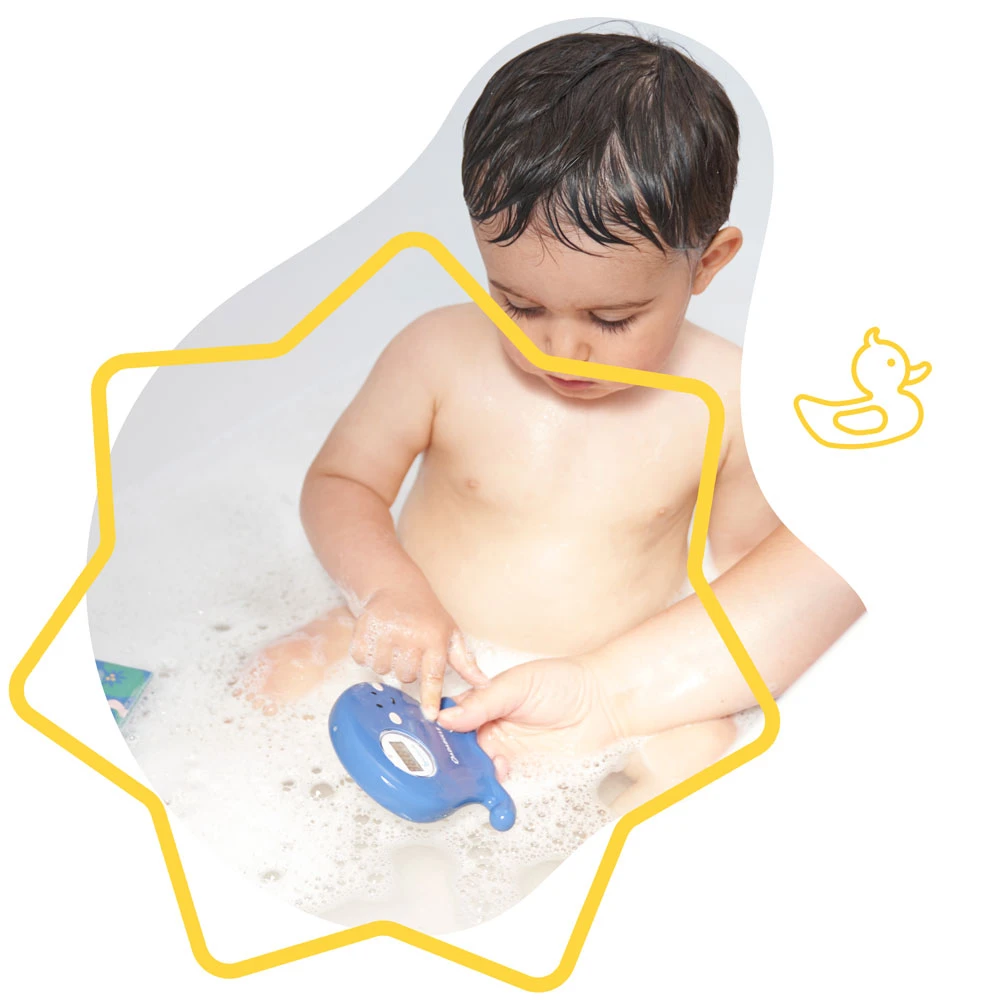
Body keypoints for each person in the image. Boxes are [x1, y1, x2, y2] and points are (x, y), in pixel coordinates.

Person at [242, 31, 863, 807]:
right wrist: (386, 592)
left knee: (703, 755)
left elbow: (746, 579)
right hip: (421, 648)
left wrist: (669, 696)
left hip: (606, 680)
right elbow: (341, 482)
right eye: (520, 304)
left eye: (611, 318)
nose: (559, 350)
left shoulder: (728, 399)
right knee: (267, 682)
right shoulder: (438, 354)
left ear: (708, 262)